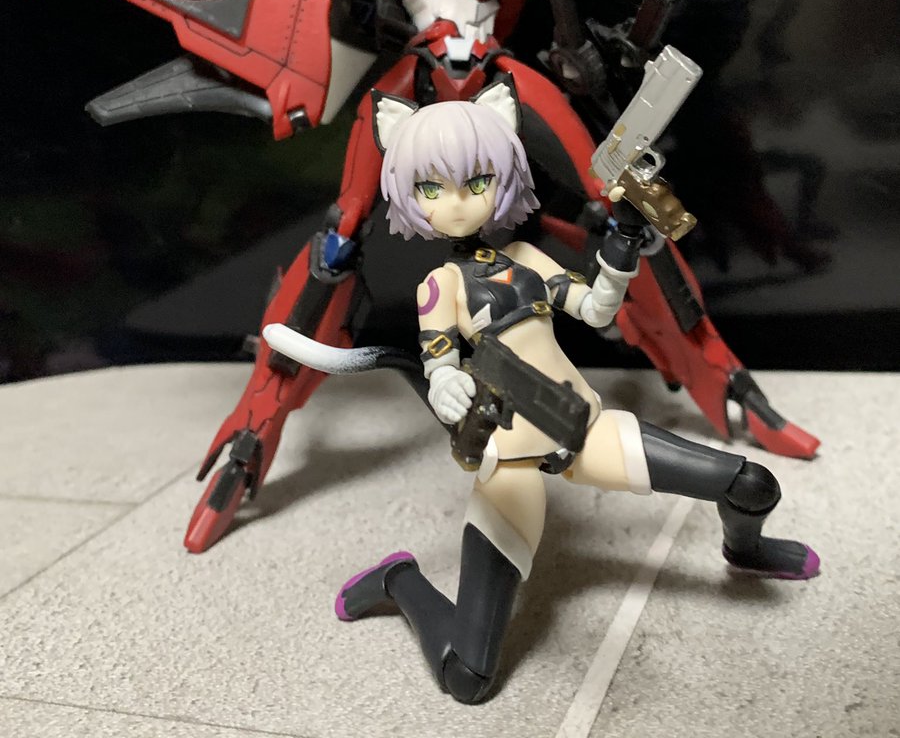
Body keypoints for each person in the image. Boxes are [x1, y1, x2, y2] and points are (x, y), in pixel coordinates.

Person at [267, 82, 820, 705]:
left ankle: (745, 550)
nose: (457, 202)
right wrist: (446, 386)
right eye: (432, 188)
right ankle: (400, 581)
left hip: (585, 430)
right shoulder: (440, 286)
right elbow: (438, 358)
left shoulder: (528, 257)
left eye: (477, 182)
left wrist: (619, 252)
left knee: (750, 485)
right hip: (510, 464)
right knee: (467, 676)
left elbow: (597, 310)